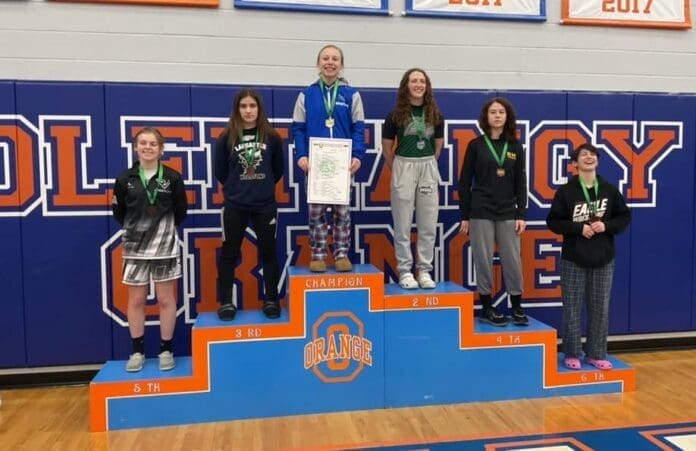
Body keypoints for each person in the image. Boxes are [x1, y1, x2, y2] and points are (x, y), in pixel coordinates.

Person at [546, 143, 630, 371]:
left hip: (603, 258)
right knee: (572, 308)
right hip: (573, 258)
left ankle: (596, 354)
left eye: (593, 154)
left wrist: (606, 225)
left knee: (600, 309)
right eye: (583, 154)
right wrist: (578, 228)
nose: (589, 157)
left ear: (598, 161)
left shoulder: (609, 190)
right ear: (575, 163)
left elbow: (624, 217)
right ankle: (572, 352)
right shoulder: (566, 191)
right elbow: (553, 221)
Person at [112, 127, 188, 372]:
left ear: (161, 149)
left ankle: (166, 350)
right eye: (143, 143)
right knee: (136, 300)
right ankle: (137, 352)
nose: (147, 147)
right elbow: (119, 213)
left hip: (165, 248)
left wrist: (160, 232)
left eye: (153, 144)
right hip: (135, 249)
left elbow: (180, 211)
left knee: (166, 299)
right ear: (136, 147)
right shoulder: (125, 179)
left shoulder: (173, 178)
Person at [292, 44, 366, 273]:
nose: (330, 62)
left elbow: (359, 128)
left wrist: (357, 156)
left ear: (341, 65)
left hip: (343, 165)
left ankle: (341, 254)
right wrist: (302, 155)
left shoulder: (352, 95)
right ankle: (318, 255)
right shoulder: (306, 95)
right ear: (318, 63)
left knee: (342, 213)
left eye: (335, 59)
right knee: (316, 213)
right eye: (326, 58)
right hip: (316, 164)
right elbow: (298, 129)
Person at [214, 89, 284, 321]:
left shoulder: (272, 137)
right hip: (235, 204)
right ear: (237, 109)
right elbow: (221, 172)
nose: (248, 110)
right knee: (229, 253)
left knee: (268, 252)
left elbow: (277, 171)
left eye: (252, 106)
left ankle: (271, 299)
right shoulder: (226, 138)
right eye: (243, 106)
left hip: (264, 205)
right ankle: (226, 302)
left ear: (259, 109)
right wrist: (238, 188)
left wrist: (260, 186)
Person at [458, 97, 528, 327]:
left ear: (507, 117)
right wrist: (465, 216)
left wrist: (521, 214)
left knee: (513, 260)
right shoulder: (476, 145)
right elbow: (464, 182)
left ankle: (516, 307)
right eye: (493, 112)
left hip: (508, 211)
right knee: (483, 260)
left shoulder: (515, 146)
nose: (497, 116)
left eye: (501, 112)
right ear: (486, 117)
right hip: (481, 211)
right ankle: (487, 307)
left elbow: (521, 182)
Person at [382, 68, 444, 289]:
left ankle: (424, 271)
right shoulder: (394, 115)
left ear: (427, 86)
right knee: (403, 223)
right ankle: (405, 271)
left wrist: (427, 164)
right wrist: (399, 168)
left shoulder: (435, 115)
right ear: (406, 85)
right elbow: (387, 148)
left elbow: (438, 147)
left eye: (422, 81)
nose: (418, 84)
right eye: (414, 81)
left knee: (428, 223)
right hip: (403, 165)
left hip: (427, 165)